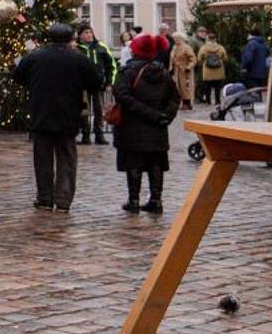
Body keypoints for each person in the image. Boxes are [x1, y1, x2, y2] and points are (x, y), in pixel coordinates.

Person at [11, 22, 103, 212]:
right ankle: (63, 199)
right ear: (71, 38)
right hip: (68, 113)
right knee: (66, 157)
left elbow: (18, 76)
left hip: (41, 112)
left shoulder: (35, 56)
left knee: (42, 158)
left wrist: (35, 85)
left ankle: (44, 198)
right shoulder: (78, 58)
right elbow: (94, 82)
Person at [113, 32, 178, 214]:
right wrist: (165, 116)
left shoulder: (127, 72)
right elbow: (175, 97)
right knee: (155, 163)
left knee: (134, 163)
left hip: (132, 125)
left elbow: (122, 96)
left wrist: (150, 114)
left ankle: (134, 200)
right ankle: (156, 200)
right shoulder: (163, 73)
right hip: (157, 126)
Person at [75, 24, 117, 144]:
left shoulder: (101, 47)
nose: (89, 35)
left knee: (99, 111)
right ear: (80, 35)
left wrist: (109, 82)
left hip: (98, 85)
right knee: (84, 111)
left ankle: (99, 134)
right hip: (82, 86)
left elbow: (111, 65)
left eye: (90, 32)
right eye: (86, 33)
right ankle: (86, 134)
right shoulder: (76, 48)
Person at [195, 28, 228, 105]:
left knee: (207, 87)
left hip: (207, 70)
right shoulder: (220, 47)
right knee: (217, 87)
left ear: (208, 38)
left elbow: (199, 58)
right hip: (219, 70)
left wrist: (204, 61)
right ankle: (217, 101)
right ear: (215, 39)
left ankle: (208, 101)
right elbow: (225, 58)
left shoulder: (204, 48)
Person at [165, 27, 196, 110]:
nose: (175, 39)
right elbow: (172, 59)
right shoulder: (174, 48)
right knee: (177, 87)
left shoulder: (187, 47)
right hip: (176, 71)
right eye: (174, 38)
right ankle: (181, 102)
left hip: (185, 71)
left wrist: (188, 67)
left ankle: (187, 103)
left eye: (176, 38)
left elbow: (193, 59)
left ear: (181, 38)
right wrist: (170, 68)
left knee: (186, 87)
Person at [241, 29, 272, 97]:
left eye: (248, 35)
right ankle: (259, 104)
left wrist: (244, 67)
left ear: (251, 35)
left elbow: (248, 58)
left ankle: (256, 104)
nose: (247, 36)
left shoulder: (251, 43)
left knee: (253, 91)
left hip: (252, 71)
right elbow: (268, 56)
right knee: (258, 90)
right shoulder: (264, 44)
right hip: (262, 72)